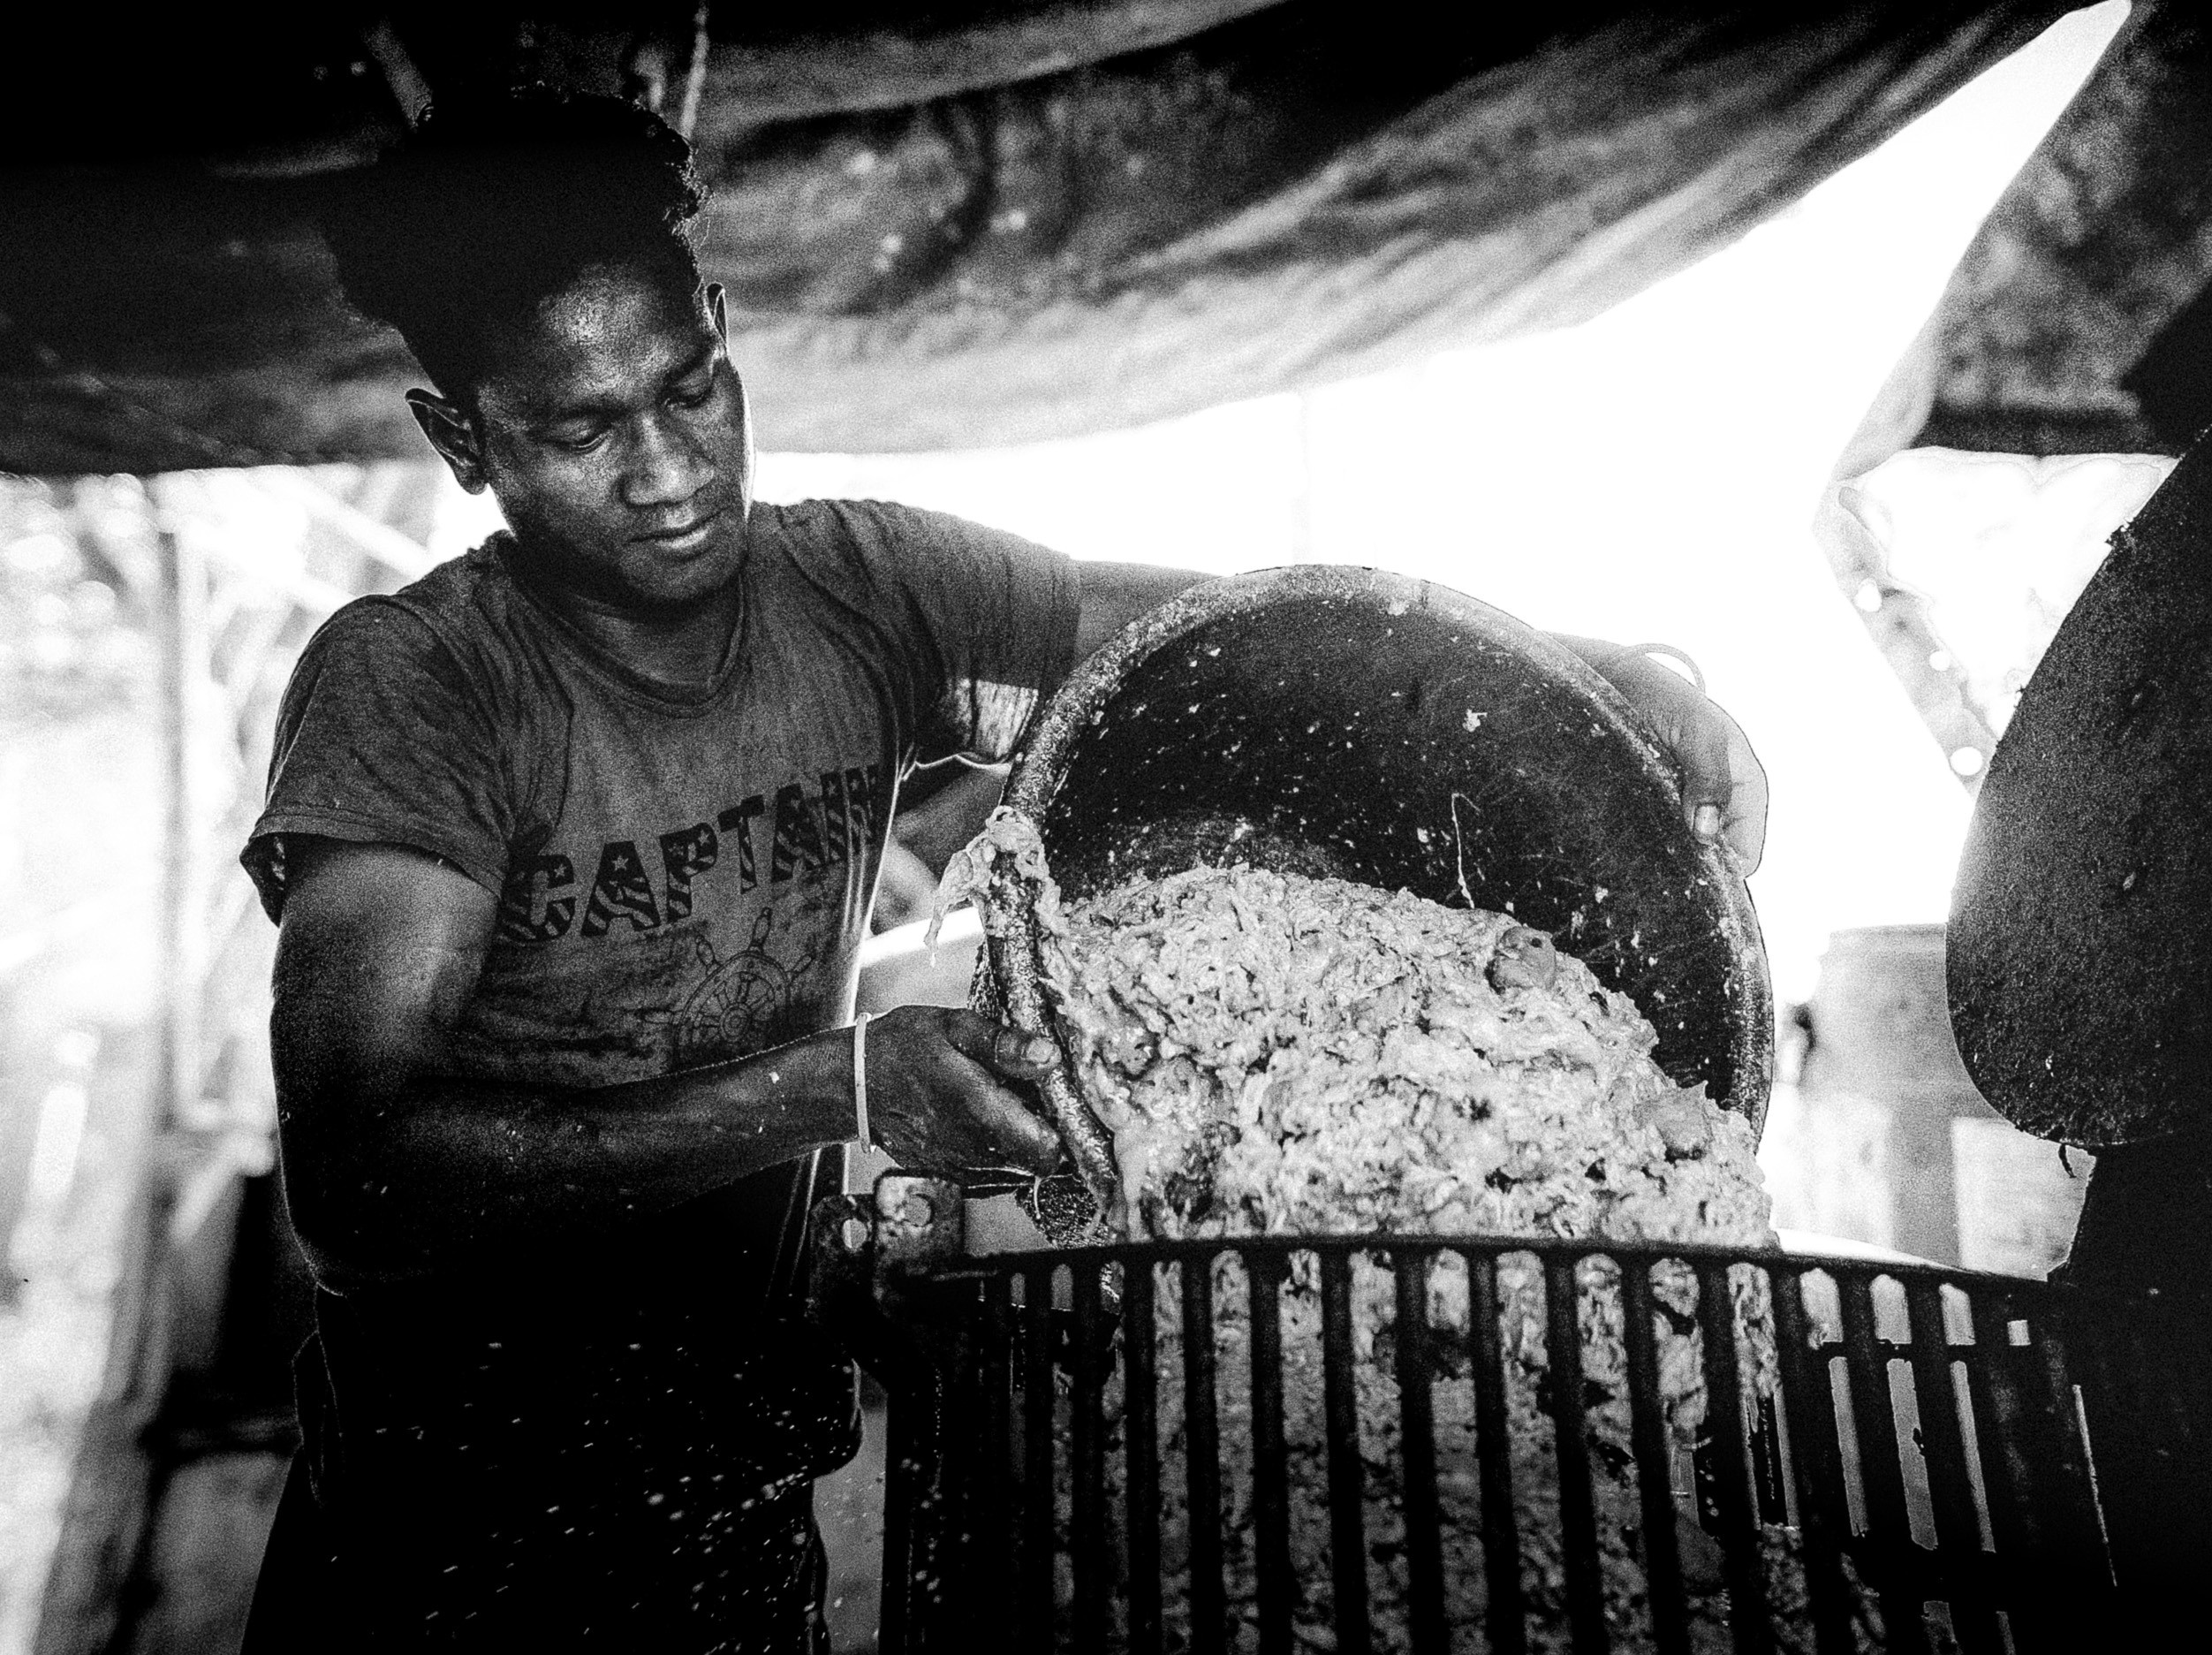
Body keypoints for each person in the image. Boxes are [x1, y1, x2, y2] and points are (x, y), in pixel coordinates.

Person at [239, 83, 1768, 1652]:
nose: (667, 468)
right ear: (460, 437)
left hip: (740, 1510)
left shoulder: (857, 591)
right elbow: (365, 1181)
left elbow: (1234, 656)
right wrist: (835, 1088)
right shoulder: (420, 684)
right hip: (456, 1548)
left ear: (717, 325)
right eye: (579, 429)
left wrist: (1607, 683)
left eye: (693, 389)